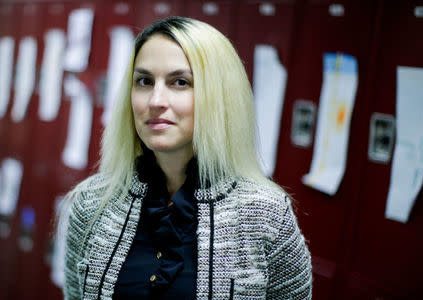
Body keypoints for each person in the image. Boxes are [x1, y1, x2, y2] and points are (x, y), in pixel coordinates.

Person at [61, 16, 312, 300]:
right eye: (144, 81)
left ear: (218, 96)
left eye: (179, 82)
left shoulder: (266, 215)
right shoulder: (92, 203)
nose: (155, 101)